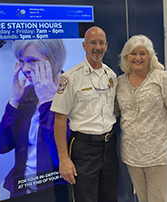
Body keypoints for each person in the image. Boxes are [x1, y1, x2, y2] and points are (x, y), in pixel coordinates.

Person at [115, 34, 167, 202]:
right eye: (133, 53)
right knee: (142, 198)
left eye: (142, 53)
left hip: (159, 155)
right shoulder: (120, 82)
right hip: (132, 156)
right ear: (126, 56)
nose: (138, 58)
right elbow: (115, 111)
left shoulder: (163, 79)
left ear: (150, 55)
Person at [51, 26, 119, 202]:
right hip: (83, 148)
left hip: (109, 146)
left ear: (106, 46)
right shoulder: (70, 78)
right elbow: (59, 120)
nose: (97, 47)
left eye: (101, 43)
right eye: (93, 43)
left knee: (109, 197)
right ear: (84, 46)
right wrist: (63, 159)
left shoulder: (111, 76)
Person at [0, 39, 70, 198]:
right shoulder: (28, 93)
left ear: (54, 60)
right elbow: (2, 146)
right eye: (21, 61)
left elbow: (59, 155)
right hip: (22, 190)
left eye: (33, 61)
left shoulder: (72, 92)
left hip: (56, 191)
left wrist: (47, 104)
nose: (25, 69)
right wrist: (14, 101)